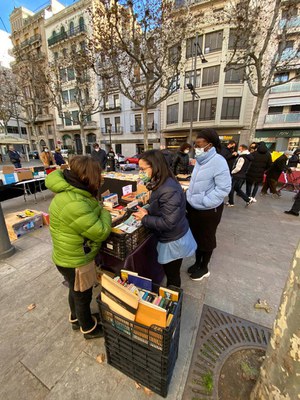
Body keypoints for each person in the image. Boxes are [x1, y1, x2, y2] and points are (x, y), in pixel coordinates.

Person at [45, 155, 112, 339]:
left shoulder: (72, 192)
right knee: (83, 294)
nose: (101, 179)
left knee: (74, 289)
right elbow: (100, 232)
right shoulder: (74, 202)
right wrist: (105, 212)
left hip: (67, 256)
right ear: (88, 176)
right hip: (75, 259)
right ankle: (88, 328)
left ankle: (75, 319)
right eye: (98, 175)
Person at [133, 149, 196, 288]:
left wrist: (145, 218)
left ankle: (173, 301)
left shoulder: (168, 188)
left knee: (172, 275)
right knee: (171, 272)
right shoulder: (161, 182)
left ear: (155, 166)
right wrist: (148, 210)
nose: (140, 173)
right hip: (173, 236)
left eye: (143, 169)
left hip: (174, 240)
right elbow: (161, 206)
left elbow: (168, 222)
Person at [186, 129, 231, 281]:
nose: (196, 148)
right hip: (194, 207)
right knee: (197, 238)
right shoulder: (201, 160)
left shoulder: (219, 161)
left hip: (209, 209)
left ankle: (204, 267)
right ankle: (197, 263)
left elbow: (224, 188)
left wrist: (205, 201)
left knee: (206, 239)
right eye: (195, 144)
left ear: (209, 145)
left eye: (199, 144)